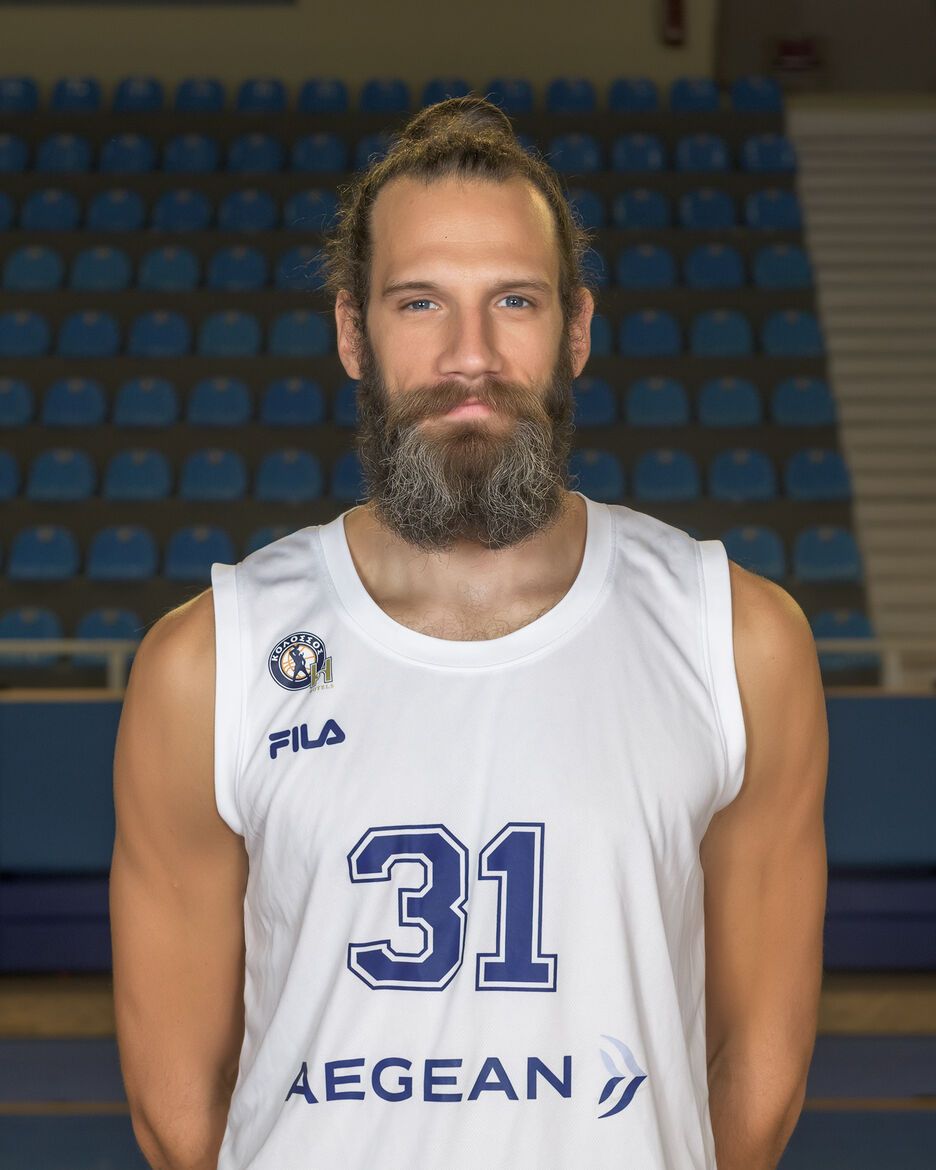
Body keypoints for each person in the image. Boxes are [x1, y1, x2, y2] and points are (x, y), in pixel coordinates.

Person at [110, 96, 828, 1170]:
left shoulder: (736, 641)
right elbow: (176, 1110)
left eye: (514, 301)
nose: (470, 356)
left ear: (576, 330)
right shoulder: (209, 664)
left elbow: (757, 1079)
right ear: (352, 332)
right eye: (420, 303)